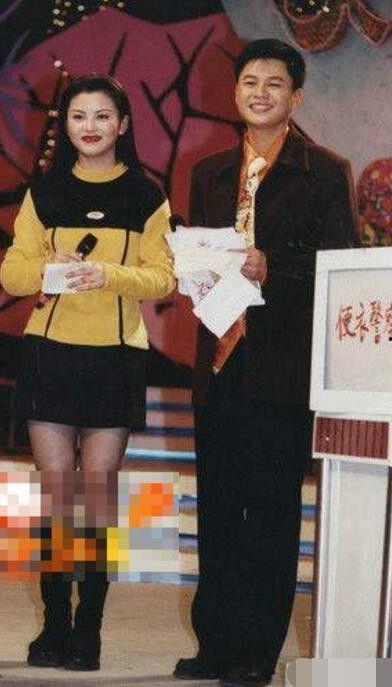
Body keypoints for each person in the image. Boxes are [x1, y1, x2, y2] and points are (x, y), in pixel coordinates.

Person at [174, 39, 359, 687]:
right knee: (218, 507)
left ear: (295, 96)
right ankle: (214, 643)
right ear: (235, 93)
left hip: (280, 365)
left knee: (272, 511)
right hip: (219, 361)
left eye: (274, 83)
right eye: (250, 81)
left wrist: (270, 265)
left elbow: (340, 266)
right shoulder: (209, 171)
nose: (260, 93)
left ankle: (256, 651)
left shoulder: (325, 171)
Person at [0, 74, 175, 671]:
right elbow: (11, 274)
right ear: (65, 126)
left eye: (102, 116)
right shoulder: (43, 191)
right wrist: (45, 267)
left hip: (115, 356)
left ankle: (88, 631)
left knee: (95, 500)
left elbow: (163, 278)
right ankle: (54, 625)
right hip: (50, 351)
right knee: (56, 497)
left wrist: (108, 275)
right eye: (79, 116)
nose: (90, 126)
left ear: (122, 125)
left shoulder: (146, 195)